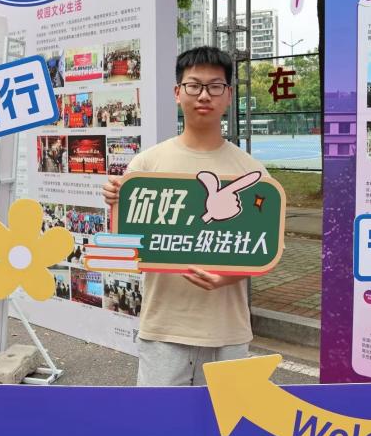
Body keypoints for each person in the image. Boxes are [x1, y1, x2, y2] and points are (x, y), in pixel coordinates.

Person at [102, 46, 267, 387]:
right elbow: (125, 246)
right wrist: (115, 205)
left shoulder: (252, 171)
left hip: (228, 332)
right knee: (159, 421)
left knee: (223, 421)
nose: (204, 95)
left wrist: (229, 277)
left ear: (229, 95)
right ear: (178, 93)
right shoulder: (146, 166)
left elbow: (265, 251)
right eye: (194, 85)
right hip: (163, 329)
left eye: (215, 86)